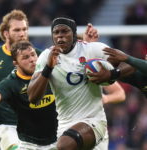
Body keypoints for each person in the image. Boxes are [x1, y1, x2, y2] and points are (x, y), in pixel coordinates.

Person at [27, 17, 121, 150]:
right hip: (65, 126)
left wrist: (112, 73)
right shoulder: (46, 57)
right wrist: (48, 68)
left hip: (93, 121)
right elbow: (33, 98)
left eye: (65, 31)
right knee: (65, 144)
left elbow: (124, 61)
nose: (60, 36)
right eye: (56, 32)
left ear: (74, 34)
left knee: (65, 145)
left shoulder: (91, 50)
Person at [0, 40, 58, 150]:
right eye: (25, 58)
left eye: (33, 54)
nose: (32, 60)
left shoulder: (52, 70)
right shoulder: (11, 83)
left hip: (58, 139)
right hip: (29, 144)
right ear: (15, 63)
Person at [0, 9, 31, 150]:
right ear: (6, 33)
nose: (22, 34)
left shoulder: (38, 58)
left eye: (24, 29)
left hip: (34, 126)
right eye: (17, 30)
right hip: (4, 126)